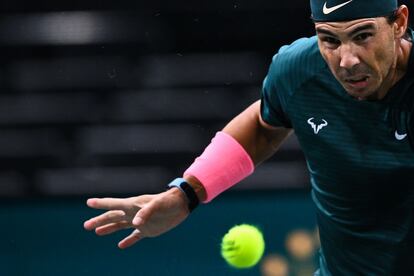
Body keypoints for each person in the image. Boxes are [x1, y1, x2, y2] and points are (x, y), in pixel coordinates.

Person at [84, 0, 414, 274]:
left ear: (399, 23)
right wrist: (187, 192)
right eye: (329, 39)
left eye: (363, 36)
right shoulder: (299, 71)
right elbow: (262, 124)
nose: (347, 60)